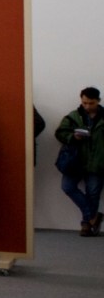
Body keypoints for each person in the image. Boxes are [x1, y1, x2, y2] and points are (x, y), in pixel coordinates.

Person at [55, 86, 103, 236]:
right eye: (84, 103)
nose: (87, 106)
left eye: (91, 103)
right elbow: (60, 133)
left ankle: (86, 225)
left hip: (98, 162)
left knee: (93, 193)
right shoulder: (73, 116)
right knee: (67, 187)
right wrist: (73, 137)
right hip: (75, 161)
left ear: (98, 101)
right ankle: (93, 217)